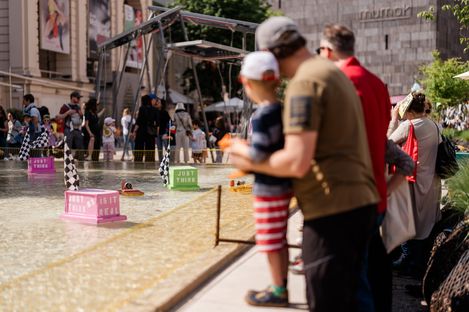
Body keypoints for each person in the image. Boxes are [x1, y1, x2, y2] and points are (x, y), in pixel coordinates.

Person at [228, 16, 379, 312]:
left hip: (333, 209)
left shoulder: (305, 83)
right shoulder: (329, 71)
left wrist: (248, 157)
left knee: (329, 302)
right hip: (358, 203)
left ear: (271, 54)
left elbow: (296, 162)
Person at [318, 24, 392, 311]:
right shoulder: (376, 83)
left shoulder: (338, 83)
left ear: (327, 50)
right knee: (364, 275)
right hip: (376, 195)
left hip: (348, 199)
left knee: (351, 284)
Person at [229, 51, 293, 307]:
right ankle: (281, 284)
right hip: (282, 186)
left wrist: (236, 146)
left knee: (269, 241)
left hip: (268, 188)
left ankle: (278, 290)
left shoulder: (263, 114)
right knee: (280, 238)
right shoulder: (281, 109)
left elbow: (257, 155)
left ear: (247, 83)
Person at [388, 92, 442, 277]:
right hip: (432, 182)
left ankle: (409, 263)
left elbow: (386, 144)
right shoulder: (435, 126)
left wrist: (393, 119)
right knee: (424, 225)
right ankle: (417, 266)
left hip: (412, 181)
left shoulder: (408, 126)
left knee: (407, 221)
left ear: (409, 111)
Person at [58, 91, 84, 159]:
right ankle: (67, 160)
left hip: (78, 129)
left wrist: (81, 115)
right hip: (69, 129)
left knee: (80, 145)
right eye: (77, 98)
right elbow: (59, 117)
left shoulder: (78, 107)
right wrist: (67, 113)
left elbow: (82, 118)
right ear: (72, 98)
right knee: (68, 145)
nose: (79, 99)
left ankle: (80, 159)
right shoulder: (65, 106)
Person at [132, 95, 158, 162]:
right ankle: (150, 160)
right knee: (150, 146)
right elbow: (157, 122)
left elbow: (139, 120)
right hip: (150, 131)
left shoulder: (142, 108)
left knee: (139, 146)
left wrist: (134, 131)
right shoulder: (154, 109)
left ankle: (138, 159)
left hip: (141, 130)